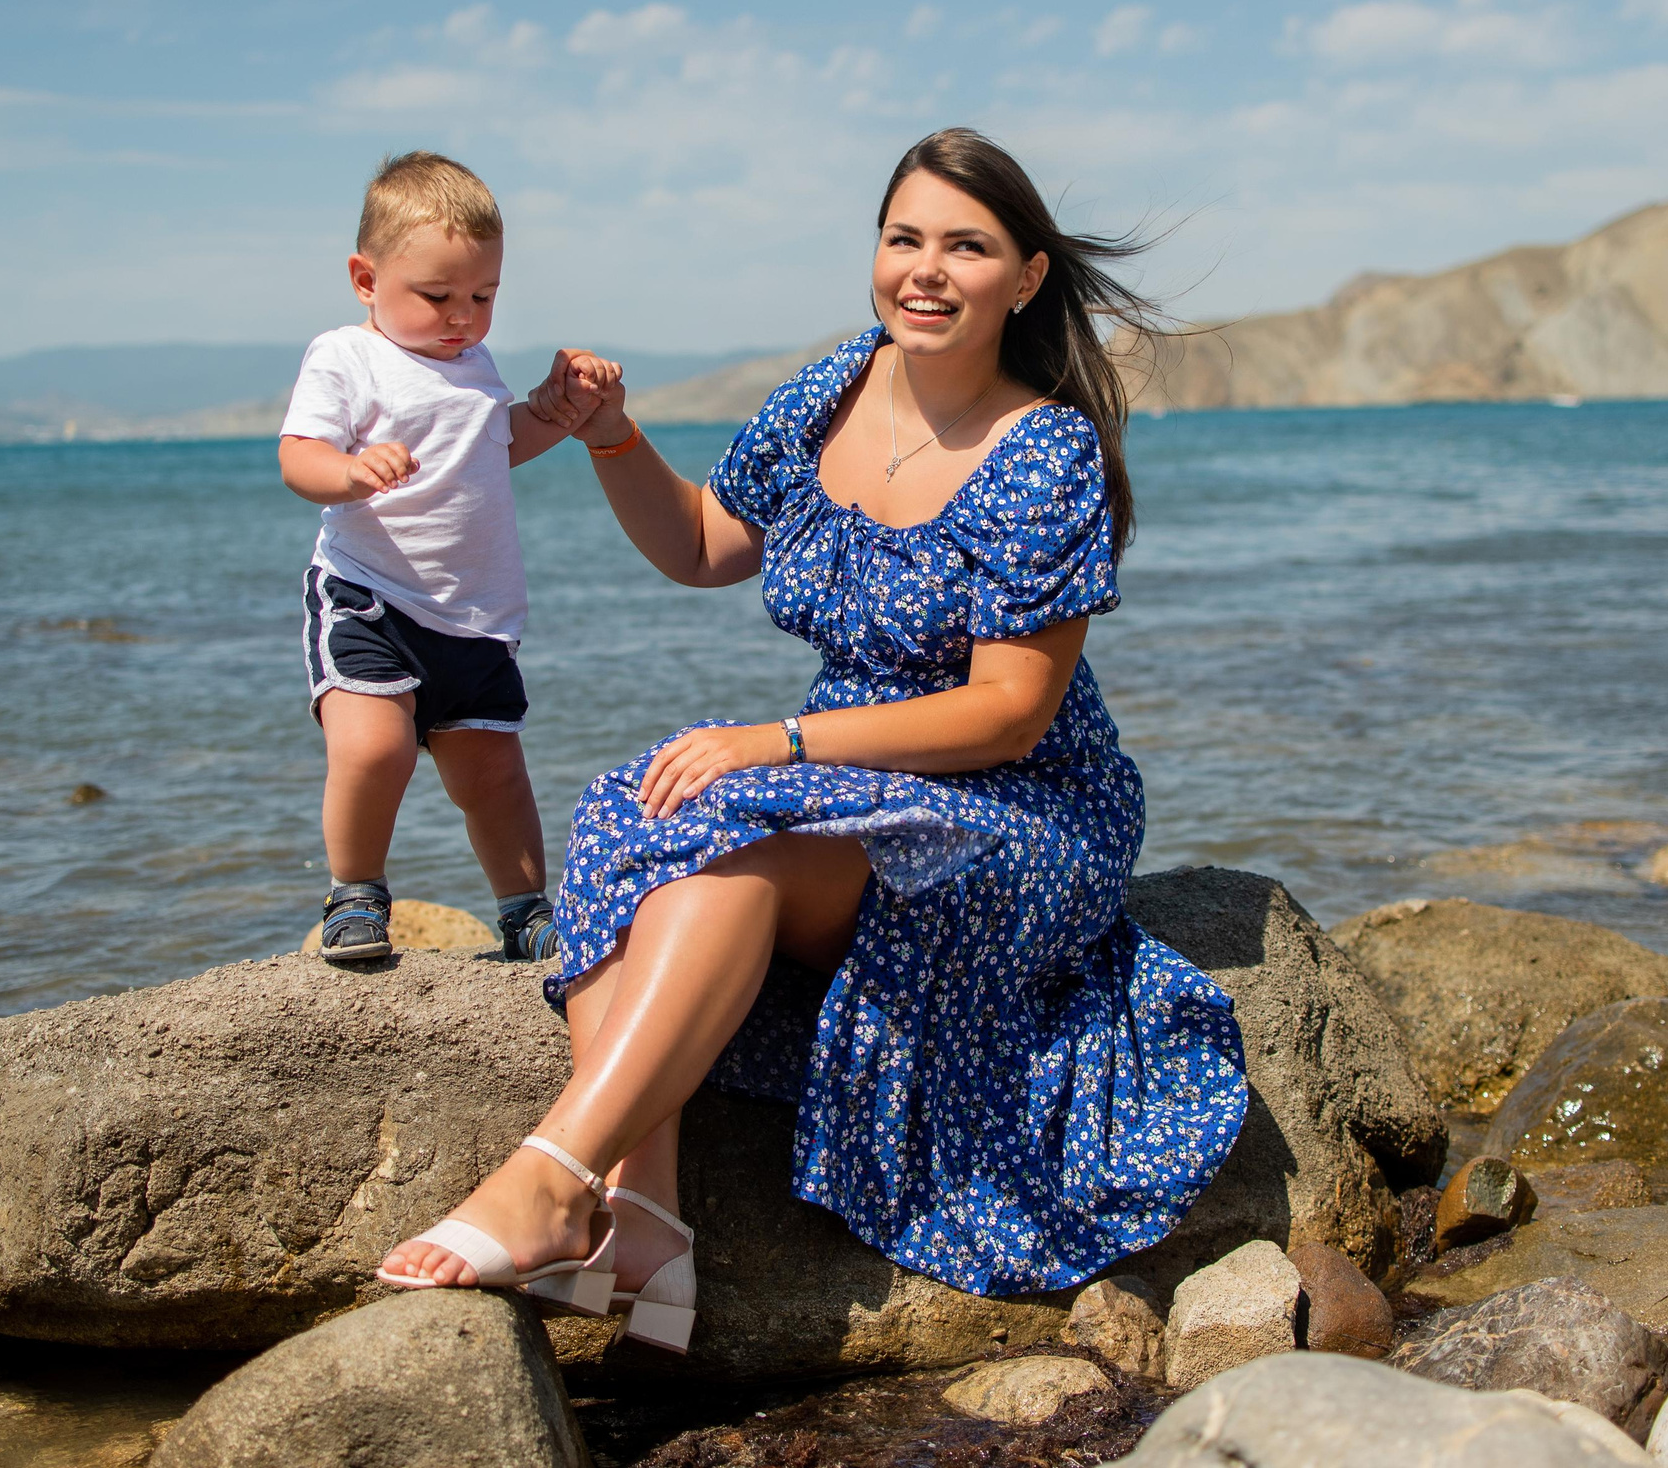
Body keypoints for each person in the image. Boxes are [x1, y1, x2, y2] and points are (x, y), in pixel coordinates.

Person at [376, 130, 1250, 1355]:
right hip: (846, 766)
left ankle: (557, 1173)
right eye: (904, 239)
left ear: (1028, 277)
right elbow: (698, 544)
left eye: (967, 245)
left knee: (728, 851)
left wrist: (778, 743)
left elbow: (1010, 710)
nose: (926, 271)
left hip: (1018, 803)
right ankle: (645, 1208)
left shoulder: (1043, 449)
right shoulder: (837, 381)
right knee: (642, 800)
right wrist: (611, 434)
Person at [278, 150, 618, 968]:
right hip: (371, 595)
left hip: (473, 617)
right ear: (366, 278)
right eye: (437, 296)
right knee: (374, 749)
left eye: (483, 296)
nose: (462, 315)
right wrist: (350, 472)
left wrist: (560, 406)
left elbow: (498, 444)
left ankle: (525, 910)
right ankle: (355, 892)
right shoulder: (346, 356)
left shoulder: (472, 366)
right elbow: (298, 454)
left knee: (494, 775)